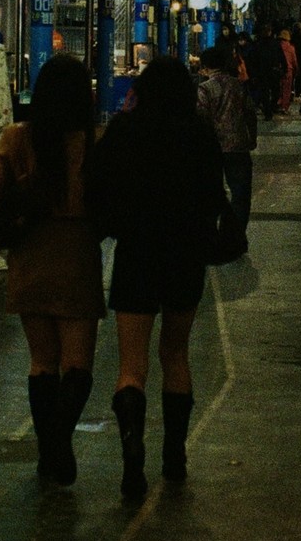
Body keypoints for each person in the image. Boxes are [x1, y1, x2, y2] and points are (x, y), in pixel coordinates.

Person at [85, 57, 227, 500]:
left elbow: (95, 185)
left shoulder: (125, 131)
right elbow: (212, 195)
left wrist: (112, 223)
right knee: (176, 352)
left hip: (137, 252)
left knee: (131, 365)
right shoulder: (200, 134)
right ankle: (174, 455)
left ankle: (132, 454)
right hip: (185, 255)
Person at [0, 54, 102, 486]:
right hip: (78, 255)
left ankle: (51, 452)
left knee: (42, 362)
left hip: (30, 257)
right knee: (78, 365)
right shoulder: (93, 141)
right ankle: (57, 445)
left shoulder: (15, 139)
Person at [197, 43, 256, 234]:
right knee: (240, 194)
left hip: (212, 148)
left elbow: (200, 118)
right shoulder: (238, 85)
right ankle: (235, 236)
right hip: (238, 146)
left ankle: (210, 235)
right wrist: (252, 138)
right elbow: (250, 113)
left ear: (205, 67)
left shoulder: (204, 89)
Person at [276, 24, 300, 116]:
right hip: (288, 70)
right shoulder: (291, 48)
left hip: (278, 70)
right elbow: (294, 60)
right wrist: (297, 69)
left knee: (279, 88)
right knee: (287, 90)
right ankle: (284, 107)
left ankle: (278, 104)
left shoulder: (277, 46)